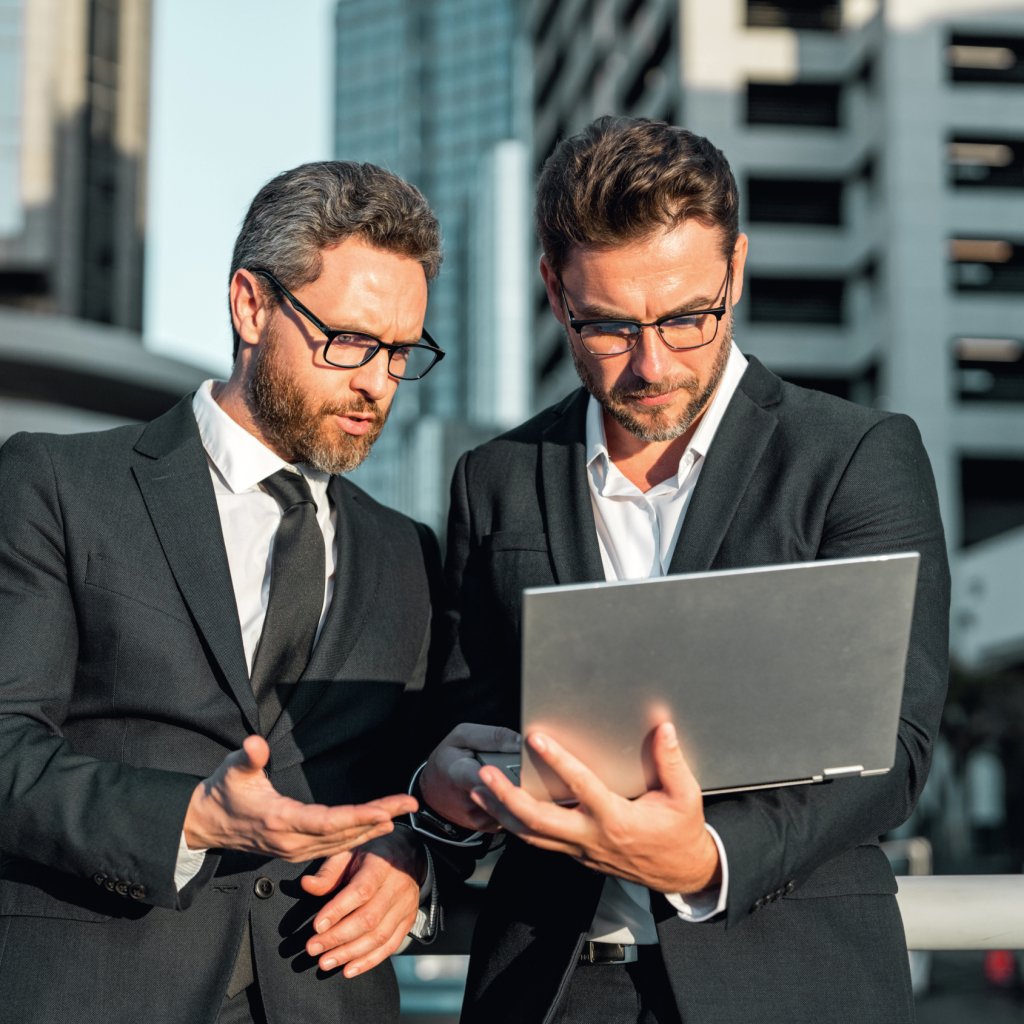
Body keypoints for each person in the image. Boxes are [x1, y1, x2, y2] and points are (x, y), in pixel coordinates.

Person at [418, 117, 950, 1023]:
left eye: (686, 317)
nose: (652, 363)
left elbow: (891, 750)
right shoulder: (495, 478)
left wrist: (706, 857)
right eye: (611, 326)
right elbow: (462, 715)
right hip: (550, 987)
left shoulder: (857, 456)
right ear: (555, 292)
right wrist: (446, 787)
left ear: (734, 272)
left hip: (790, 980)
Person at [0, 161, 450, 1024]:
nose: (376, 383)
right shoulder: (58, 484)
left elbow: (421, 787)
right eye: (350, 341)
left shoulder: (407, 554)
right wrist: (194, 819)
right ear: (250, 304)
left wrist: (413, 864)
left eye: (402, 352)